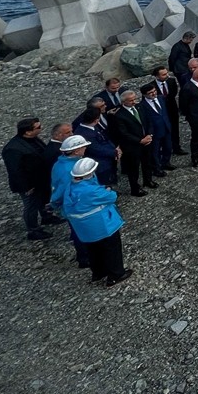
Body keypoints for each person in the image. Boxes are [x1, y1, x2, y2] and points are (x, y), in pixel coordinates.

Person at [63, 157, 133, 287]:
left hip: (84, 228)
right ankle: (115, 275)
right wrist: (108, 190)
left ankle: (98, 273)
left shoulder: (70, 187)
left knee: (93, 250)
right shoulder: (92, 191)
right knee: (112, 249)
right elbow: (111, 197)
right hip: (102, 226)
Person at [1, 117, 66, 241]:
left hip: (39, 179)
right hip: (28, 184)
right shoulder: (13, 149)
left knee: (42, 199)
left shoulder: (33, 139)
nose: (41, 128)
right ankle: (33, 230)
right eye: (38, 127)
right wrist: (26, 187)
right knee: (31, 206)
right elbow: (15, 171)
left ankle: (46, 217)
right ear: (28, 132)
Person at [49, 134, 91, 269]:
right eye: (83, 147)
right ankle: (84, 258)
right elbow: (63, 191)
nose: (85, 148)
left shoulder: (60, 164)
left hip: (72, 206)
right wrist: (55, 203)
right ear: (76, 151)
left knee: (77, 231)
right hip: (77, 206)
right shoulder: (72, 169)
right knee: (81, 233)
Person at [110, 91, 155, 196]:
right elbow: (124, 133)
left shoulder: (140, 107)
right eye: (131, 100)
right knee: (133, 168)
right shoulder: (119, 115)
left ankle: (148, 180)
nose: (134, 102)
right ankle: (135, 188)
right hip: (132, 146)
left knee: (147, 163)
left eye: (135, 99)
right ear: (123, 102)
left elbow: (148, 121)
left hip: (146, 141)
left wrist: (149, 135)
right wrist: (140, 140)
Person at [74, 104, 120, 187]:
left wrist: (115, 148)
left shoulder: (93, 127)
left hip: (109, 158)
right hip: (100, 165)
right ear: (96, 120)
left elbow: (105, 138)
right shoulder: (84, 134)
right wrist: (115, 152)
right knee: (105, 184)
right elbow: (96, 149)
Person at [140, 82, 175, 173]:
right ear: (144, 95)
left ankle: (166, 162)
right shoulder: (142, 106)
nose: (154, 93)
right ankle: (156, 168)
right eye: (150, 93)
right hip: (154, 131)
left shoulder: (161, 98)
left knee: (168, 147)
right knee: (155, 151)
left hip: (166, 127)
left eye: (154, 91)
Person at [151, 65, 184, 155]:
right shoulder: (151, 86)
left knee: (175, 129)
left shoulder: (171, 81)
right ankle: (164, 149)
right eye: (163, 74)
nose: (167, 75)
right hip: (161, 112)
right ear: (157, 76)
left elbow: (174, 93)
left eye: (166, 73)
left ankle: (176, 147)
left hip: (172, 109)